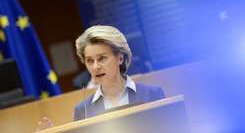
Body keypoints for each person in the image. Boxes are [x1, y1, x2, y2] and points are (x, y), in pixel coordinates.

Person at [36, 25, 165, 130]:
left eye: (102, 58)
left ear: (120, 58)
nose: (95, 67)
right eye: (90, 61)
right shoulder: (82, 110)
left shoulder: (152, 94)